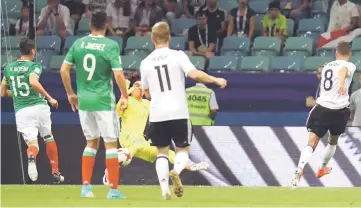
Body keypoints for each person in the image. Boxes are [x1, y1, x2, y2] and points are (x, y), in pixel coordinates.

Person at [139, 21, 227, 199]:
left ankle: (164, 191)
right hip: (178, 111)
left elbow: (146, 92)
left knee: (161, 153)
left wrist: (155, 97)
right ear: (169, 37)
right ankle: (176, 171)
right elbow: (194, 74)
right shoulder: (178, 55)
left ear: (152, 38)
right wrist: (215, 79)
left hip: (158, 114)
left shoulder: (145, 62)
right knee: (182, 150)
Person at [60, 11, 128, 199]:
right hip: (104, 101)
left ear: (90, 25)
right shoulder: (110, 45)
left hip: (84, 101)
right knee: (111, 145)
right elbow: (119, 74)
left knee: (91, 143)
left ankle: (86, 187)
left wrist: (70, 94)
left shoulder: (78, 43)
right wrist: (125, 94)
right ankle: (113, 190)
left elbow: (64, 70)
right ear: (106, 25)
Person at [102, 73, 210, 185]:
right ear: (130, 88)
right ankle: (113, 165)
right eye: (137, 85)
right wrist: (127, 92)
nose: (140, 88)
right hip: (127, 137)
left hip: (140, 141)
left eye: (142, 86)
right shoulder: (126, 101)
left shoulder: (147, 103)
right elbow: (117, 110)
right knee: (136, 145)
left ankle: (189, 165)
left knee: (167, 152)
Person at [291, 42, 356, 188]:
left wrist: (339, 82)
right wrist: (341, 84)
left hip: (322, 108)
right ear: (349, 54)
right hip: (339, 110)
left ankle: (299, 168)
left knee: (312, 142)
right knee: (333, 141)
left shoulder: (327, 66)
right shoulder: (350, 65)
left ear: (336, 52)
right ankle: (322, 168)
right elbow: (343, 70)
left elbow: (338, 71)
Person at [1, 37, 63, 184]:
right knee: (48, 136)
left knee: (33, 144)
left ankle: (31, 155)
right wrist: (50, 98)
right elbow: (33, 82)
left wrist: (16, 92)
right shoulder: (34, 66)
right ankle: (55, 172)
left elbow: (2, 93)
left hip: (23, 110)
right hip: (40, 107)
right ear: (33, 51)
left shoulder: (8, 68)